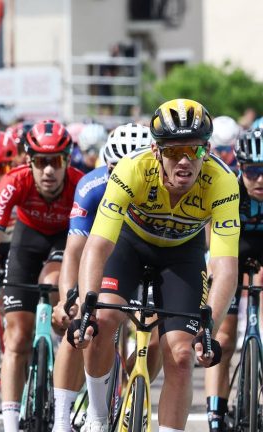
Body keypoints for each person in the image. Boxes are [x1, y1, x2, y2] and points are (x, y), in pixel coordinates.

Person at [69, 99, 235, 432]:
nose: (185, 161)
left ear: (208, 149)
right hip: (129, 245)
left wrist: (210, 328)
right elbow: (97, 246)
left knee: (182, 355)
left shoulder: (222, 181)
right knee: (101, 320)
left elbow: (225, 265)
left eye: (195, 151)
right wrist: (85, 308)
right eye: (174, 152)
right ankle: (98, 417)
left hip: (180, 254)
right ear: (157, 151)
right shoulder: (132, 168)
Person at [50, 123, 153, 431]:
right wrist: (70, 298)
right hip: (105, 256)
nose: (119, 178)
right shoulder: (91, 186)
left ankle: (136, 386)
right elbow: (74, 251)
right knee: (80, 323)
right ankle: (61, 421)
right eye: (112, 170)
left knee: (159, 337)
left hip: (145, 255)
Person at [0, 120, 84, 432]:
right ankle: (12, 425)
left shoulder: (79, 183)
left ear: (67, 161)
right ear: (28, 161)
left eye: (55, 162)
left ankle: (59, 340)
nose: (48, 171)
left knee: (52, 281)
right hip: (27, 239)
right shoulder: (13, 181)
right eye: (41, 162)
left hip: (65, 240)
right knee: (16, 339)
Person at [204, 128, 263, 432]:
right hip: (231, 249)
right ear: (240, 167)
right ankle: (215, 412)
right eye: (253, 171)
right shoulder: (228, 188)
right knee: (223, 338)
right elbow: (213, 243)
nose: (261, 179)